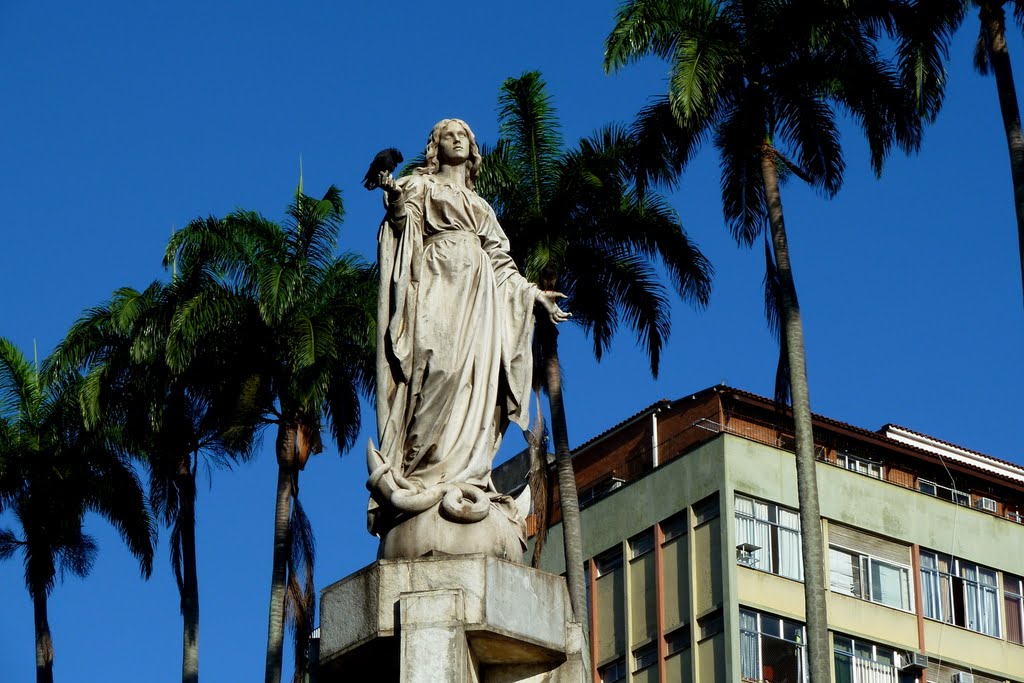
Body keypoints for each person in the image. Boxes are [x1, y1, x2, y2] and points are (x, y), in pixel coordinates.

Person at [366, 118, 568, 555]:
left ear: (472, 150)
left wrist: (535, 296)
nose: (457, 138)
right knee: (437, 369)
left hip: (480, 301)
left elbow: (502, 264)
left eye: (464, 135)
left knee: (475, 384)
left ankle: (467, 474)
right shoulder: (421, 187)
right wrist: (396, 201)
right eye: (447, 134)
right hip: (436, 286)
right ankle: (422, 473)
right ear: (434, 147)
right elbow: (403, 230)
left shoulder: (482, 208)